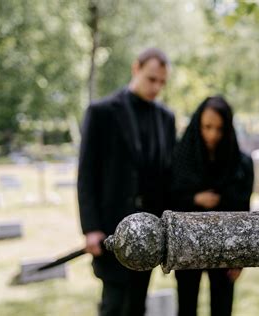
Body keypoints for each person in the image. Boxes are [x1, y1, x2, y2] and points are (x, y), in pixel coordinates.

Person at [77, 47, 176, 316]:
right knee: (113, 304)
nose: (156, 87)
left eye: (162, 82)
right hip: (110, 228)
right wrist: (91, 227)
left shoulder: (166, 118)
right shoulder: (101, 112)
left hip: (151, 233)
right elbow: (87, 174)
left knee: (137, 306)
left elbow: (167, 174)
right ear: (136, 68)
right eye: (151, 79)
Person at [171, 96, 254, 316]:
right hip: (187, 245)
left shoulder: (241, 164)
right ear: (198, 124)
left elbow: (243, 212)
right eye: (207, 127)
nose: (213, 135)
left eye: (219, 128)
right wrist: (195, 199)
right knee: (186, 306)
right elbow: (169, 197)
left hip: (225, 247)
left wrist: (240, 257)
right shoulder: (180, 158)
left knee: (222, 307)